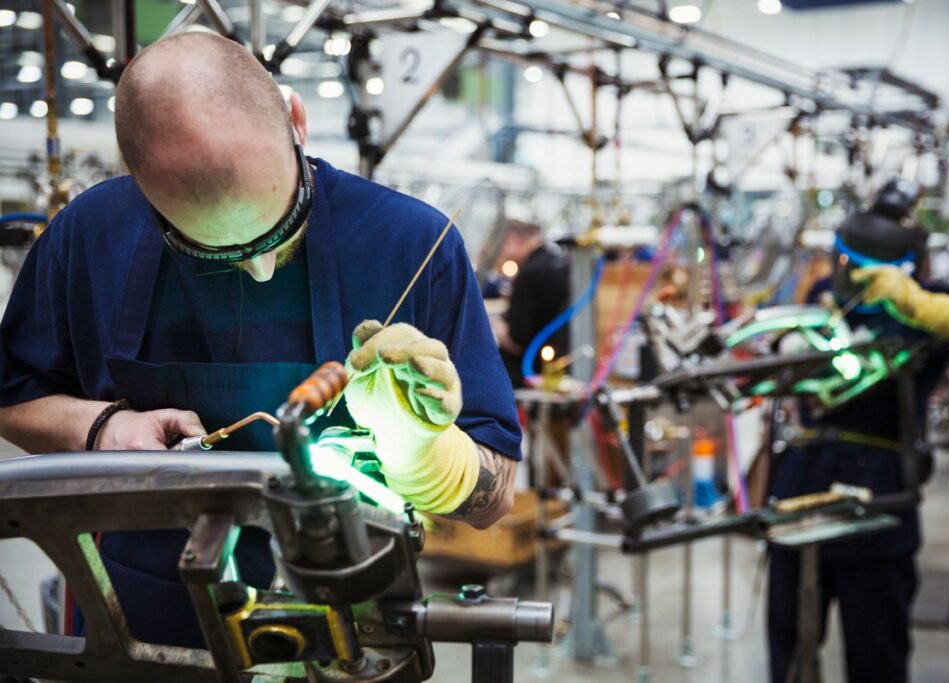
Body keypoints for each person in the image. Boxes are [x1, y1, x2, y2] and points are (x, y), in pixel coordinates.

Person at [0, 32, 520, 648]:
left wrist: (421, 452)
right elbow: (12, 398)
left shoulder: (409, 243)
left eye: (279, 230)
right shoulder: (88, 236)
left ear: (295, 119)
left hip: (356, 629)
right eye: (212, 251)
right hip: (142, 628)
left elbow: (496, 498)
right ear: (137, 181)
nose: (261, 269)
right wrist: (103, 428)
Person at [766, 179, 949, 683]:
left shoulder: (927, 307)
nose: (848, 275)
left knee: (876, 652)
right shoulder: (825, 299)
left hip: (878, 499)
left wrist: (916, 303)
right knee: (789, 648)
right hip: (802, 486)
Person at [495, 219, 570, 387]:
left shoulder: (531, 274)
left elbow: (518, 338)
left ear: (513, 239)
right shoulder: (561, 263)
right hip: (561, 362)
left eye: (505, 243)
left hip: (530, 370)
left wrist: (498, 329)